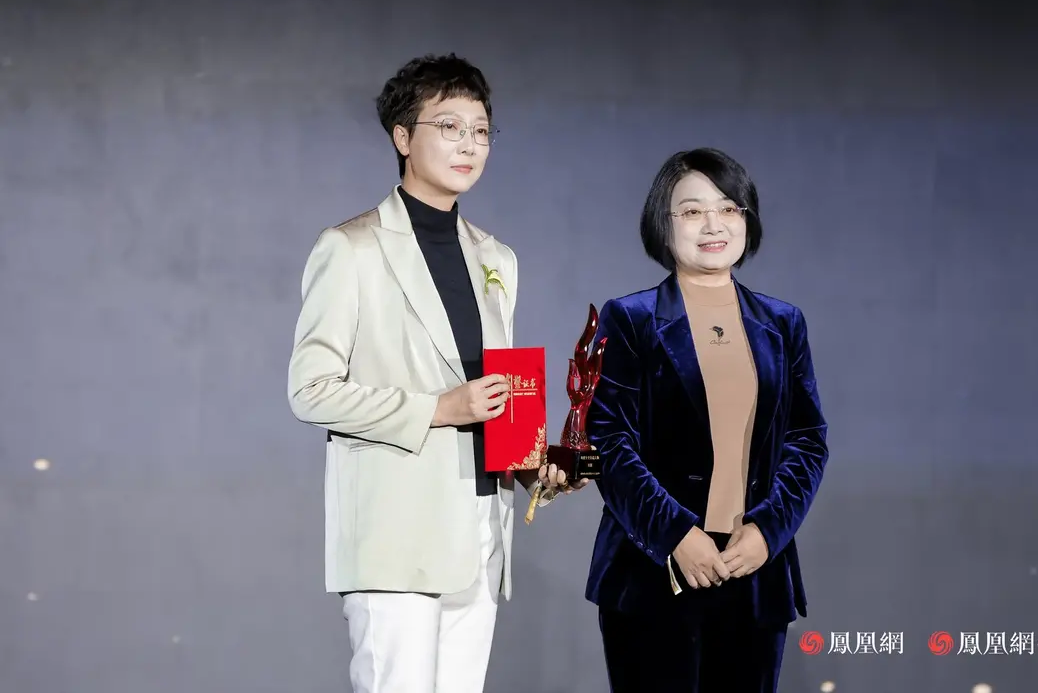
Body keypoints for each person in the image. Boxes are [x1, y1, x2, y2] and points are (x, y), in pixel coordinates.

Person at [286, 53, 576, 693]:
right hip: (396, 533)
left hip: (482, 527)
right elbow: (310, 391)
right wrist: (438, 409)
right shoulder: (351, 247)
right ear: (402, 136)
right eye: (449, 126)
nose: (469, 144)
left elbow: (495, 393)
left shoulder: (496, 257)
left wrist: (532, 463)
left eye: (481, 130)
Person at [583, 148, 829, 692]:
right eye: (693, 211)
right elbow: (609, 440)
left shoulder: (783, 323)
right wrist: (675, 534)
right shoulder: (630, 319)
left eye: (729, 208)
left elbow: (807, 440)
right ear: (663, 223)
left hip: (754, 570)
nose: (714, 224)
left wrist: (767, 530)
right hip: (653, 571)